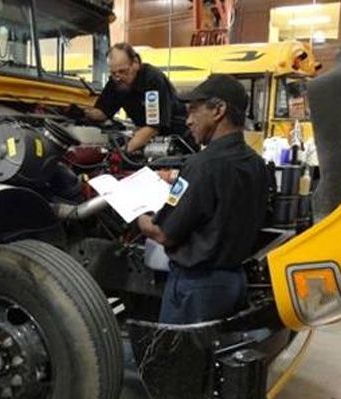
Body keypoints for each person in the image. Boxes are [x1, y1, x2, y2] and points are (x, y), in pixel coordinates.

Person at [137, 74, 269, 324]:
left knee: (177, 359)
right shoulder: (257, 164)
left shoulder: (202, 166)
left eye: (194, 111)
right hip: (234, 283)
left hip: (196, 288)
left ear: (219, 110)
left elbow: (164, 234)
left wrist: (137, 216)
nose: (187, 121)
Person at [83, 42, 191, 153]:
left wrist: (122, 153)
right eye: (113, 73)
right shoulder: (115, 82)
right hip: (148, 140)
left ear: (135, 63)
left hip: (179, 141)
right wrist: (80, 112)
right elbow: (102, 113)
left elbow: (152, 128)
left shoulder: (152, 79)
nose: (118, 78)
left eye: (122, 71)